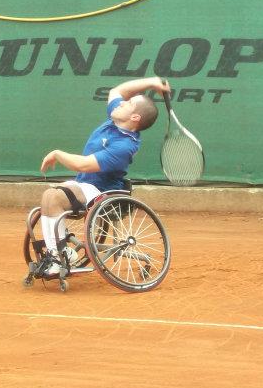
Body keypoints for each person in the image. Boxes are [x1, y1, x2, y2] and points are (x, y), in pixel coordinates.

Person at [38, 76, 171, 275]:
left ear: (135, 118)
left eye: (129, 103)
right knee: (48, 196)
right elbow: (118, 91)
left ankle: (58, 256)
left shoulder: (124, 146)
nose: (122, 101)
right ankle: (58, 253)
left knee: (53, 196)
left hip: (101, 192)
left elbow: (83, 164)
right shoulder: (117, 119)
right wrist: (152, 82)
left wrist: (57, 153)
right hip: (84, 184)